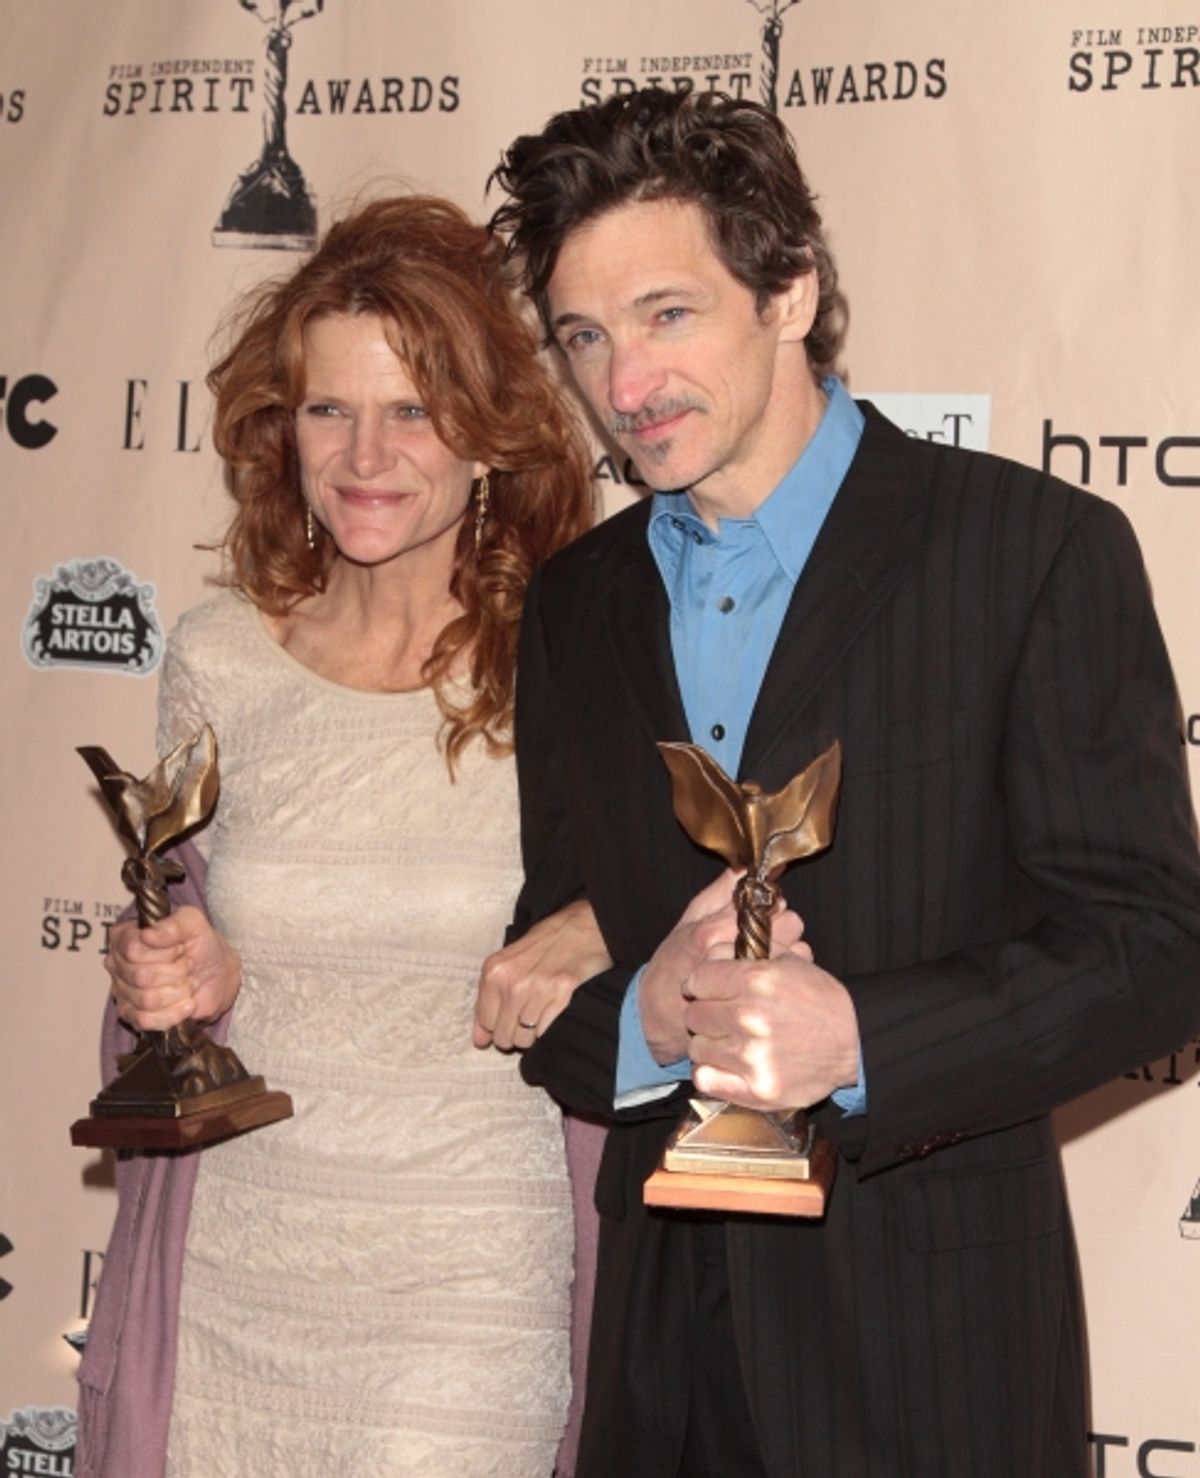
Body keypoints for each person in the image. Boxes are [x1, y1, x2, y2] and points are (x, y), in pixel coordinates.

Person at [487, 87, 1200, 1478]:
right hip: (657, 1374)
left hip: (932, 1359)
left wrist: (863, 1042)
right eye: (586, 334)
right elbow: (552, 972)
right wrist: (645, 1010)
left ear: (791, 291)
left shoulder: (1028, 551)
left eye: (668, 313)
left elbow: (1157, 950)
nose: (624, 382)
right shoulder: (577, 606)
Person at [76, 195, 605, 1478]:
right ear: (283, 427)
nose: (366, 453)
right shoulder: (220, 657)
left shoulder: (583, 656)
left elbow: (685, 911)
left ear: (489, 435)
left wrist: (601, 927)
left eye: (412, 410)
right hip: (239, 1271)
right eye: (330, 408)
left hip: (471, 1277)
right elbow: (173, 919)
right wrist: (168, 968)